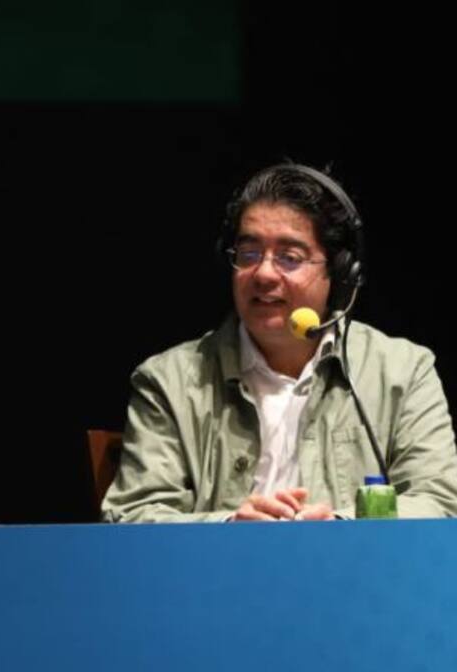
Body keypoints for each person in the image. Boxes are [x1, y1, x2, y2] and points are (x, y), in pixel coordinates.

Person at [102, 163, 457, 522]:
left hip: (350, 560)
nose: (264, 274)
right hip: (224, 560)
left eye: (289, 257)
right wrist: (228, 526)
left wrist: (338, 526)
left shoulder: (402, 371)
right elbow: (132, 515)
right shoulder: (169, 381)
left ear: (338, 272)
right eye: (249, 254)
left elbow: (441, 502)